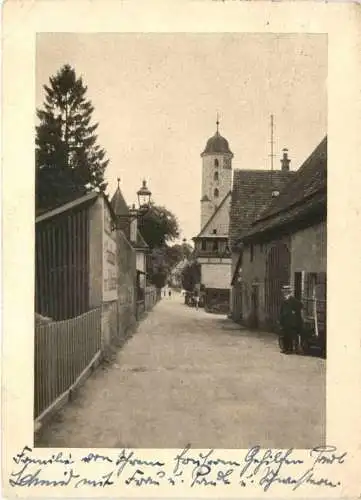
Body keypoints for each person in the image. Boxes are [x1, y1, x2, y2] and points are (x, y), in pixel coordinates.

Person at [279, 285, 303, 354]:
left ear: (288, 292)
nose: (284, 293)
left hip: (291, 321)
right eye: (283, 292)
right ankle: (285, 349)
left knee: (289, 335)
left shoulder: (292, 299)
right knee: (284, 335)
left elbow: (300, 305)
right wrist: (280, 319)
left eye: (285, 292)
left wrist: (294, 311)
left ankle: (290, 349)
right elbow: (282, 310)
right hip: (285, 321)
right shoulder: (284, 300)